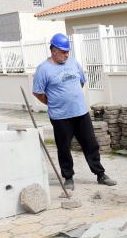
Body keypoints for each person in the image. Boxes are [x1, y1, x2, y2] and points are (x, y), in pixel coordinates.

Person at [32, 33, 115, 190]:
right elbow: (37, 92)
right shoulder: (43, 69)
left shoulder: (73, 63)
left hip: (81, 113)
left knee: (91, 144)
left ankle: (100, 174)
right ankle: (68, 177)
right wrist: (52, 102)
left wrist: (72, 98)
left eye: (67, 51)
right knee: (64, 148)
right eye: (63, 51)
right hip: (60, 117)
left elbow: (81, 82)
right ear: (53, 51)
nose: (66, 54)